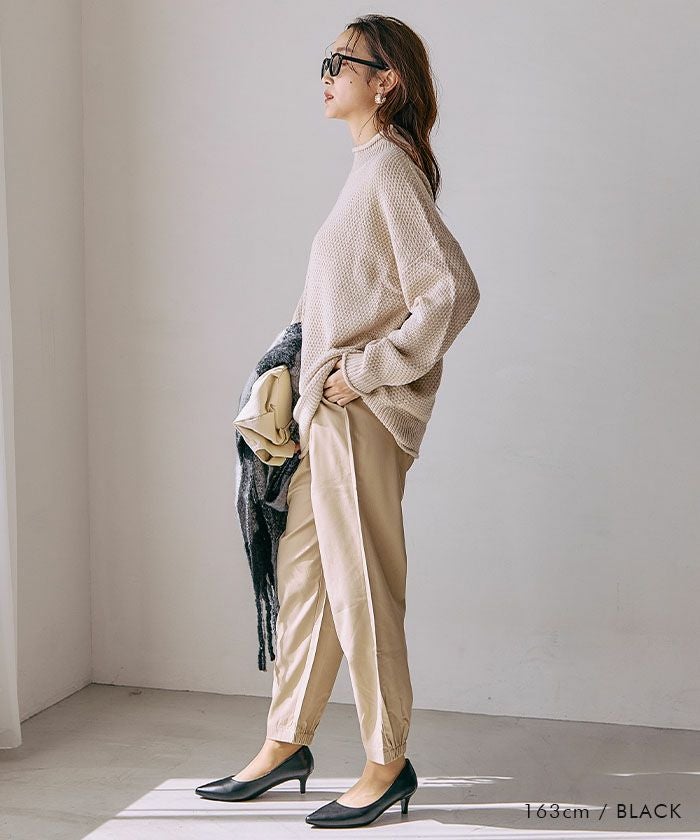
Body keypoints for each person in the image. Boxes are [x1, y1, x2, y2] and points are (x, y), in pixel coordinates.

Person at [196, 14, 480, 828]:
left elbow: (451, 291)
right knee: (308, 585)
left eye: (339, 61)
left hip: (363, 417)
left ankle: (387, 761)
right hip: (326, 415)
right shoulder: (366, 171)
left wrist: (362, 371)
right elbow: (335, 302)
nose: (324, 74)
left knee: (362, 591)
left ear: (385, 81)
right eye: (324, 61)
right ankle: (285, 743)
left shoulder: (389, 169)